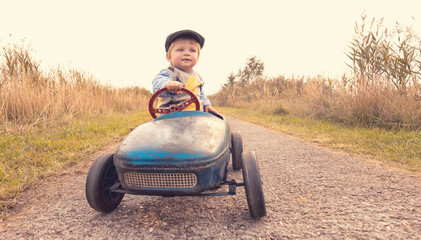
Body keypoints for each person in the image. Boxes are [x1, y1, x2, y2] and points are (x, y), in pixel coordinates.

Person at [152, 29, 219, 115]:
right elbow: (157, 83)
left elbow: (200, 93)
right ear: (169, 57)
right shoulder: (168, 73)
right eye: (180, 50)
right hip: (171, 117)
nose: (187, 53)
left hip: (196, 116)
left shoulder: (197, 76)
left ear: (198, 57)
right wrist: (167, 84)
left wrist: (206, 104)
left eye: (192, 50)